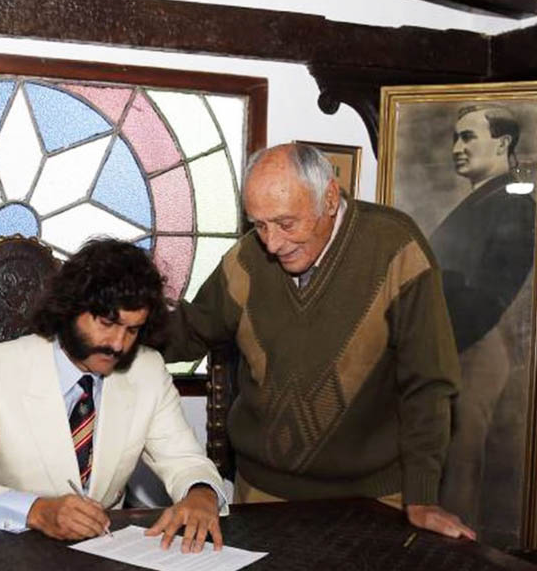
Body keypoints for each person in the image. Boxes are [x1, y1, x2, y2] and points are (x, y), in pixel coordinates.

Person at [162, 143, 475, 540]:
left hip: (374, 501)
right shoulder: (246, 260)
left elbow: (429, 383)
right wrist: (114, 321)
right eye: (259, 225)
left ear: (329, 198)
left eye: (286, 224)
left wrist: (423, 496)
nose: (272, 243)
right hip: (260, 496)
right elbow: (189, 331)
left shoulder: (396, 248)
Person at [0, 238, 228, 551]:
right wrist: (36, 511)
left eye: (132, 330)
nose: (118, 344)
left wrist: (201, 494)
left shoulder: (146, 370)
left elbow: (185, 460)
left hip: (108, 558)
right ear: (70, 308)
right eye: (107, 323)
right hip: (12, 555)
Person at [429, 105, 535, 536]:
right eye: (456, 138)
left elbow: (490, 296)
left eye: (468, 137)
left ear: (503, 143)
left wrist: (436, 343)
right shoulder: (485, 200)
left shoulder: (514, 204)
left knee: (460, 461)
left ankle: (457, 565)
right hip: (457, 342)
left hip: (474, 345)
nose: (458, 148)